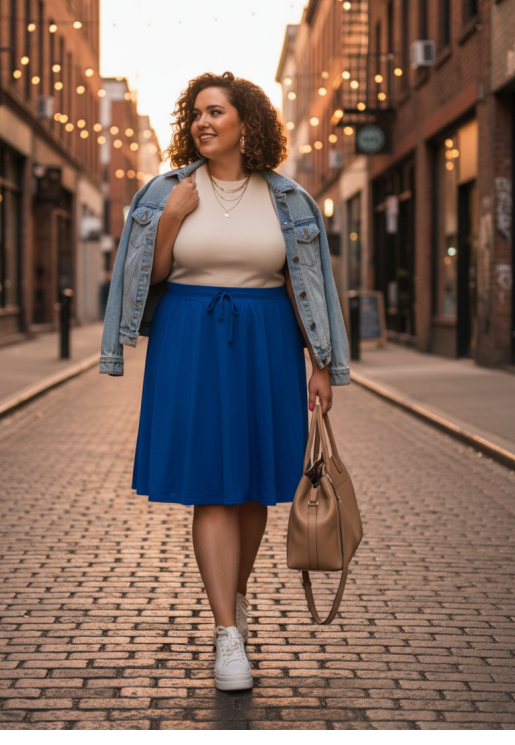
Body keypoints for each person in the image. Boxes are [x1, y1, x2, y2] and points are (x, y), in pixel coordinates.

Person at [100, 71, 349, 691]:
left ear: (247, 124)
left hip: (268, 341)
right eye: (196, 114)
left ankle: (233, 596)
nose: (202, 123)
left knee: (255, 489)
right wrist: (169, 221)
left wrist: (322, 363)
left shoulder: (289, 198)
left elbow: (307, 285)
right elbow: (148, 277)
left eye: (215, 112)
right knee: (212, 485)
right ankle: (227, 635)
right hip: (190, 339)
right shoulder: (167, 191)